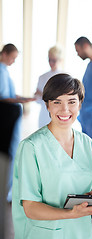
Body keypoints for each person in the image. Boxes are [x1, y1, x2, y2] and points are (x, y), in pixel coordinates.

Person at [12, 73, 92, 239]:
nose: (65, 110)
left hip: (81, 232)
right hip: (45, 234)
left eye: (72, 102)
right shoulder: (31, 147)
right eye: (57, 102)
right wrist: (71, 213)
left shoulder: (87, 143)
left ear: (80, 104)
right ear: (47, 106)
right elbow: (30, 207)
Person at [0, 43, 35, 202]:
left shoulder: (5, 72)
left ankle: (9, 191)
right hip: (6, 118)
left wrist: (22, 98)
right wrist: (20, 101)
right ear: (5, 54)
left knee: (14, 154)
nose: (13, 61)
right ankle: (6, 192)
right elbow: (3, 98)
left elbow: (10, 93)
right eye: (12, 57)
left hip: (11, 118)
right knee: (8, 156)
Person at [34, 45, 63, 128]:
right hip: (44, 116)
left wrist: (43, 95)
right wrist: (36, 96)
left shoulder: (65, 77)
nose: (51, 63)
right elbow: (38, 100)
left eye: (54, 60)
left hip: (59, 116)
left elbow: (62, 99)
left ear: (60, 60)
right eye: (49, 60)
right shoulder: (42, 77)